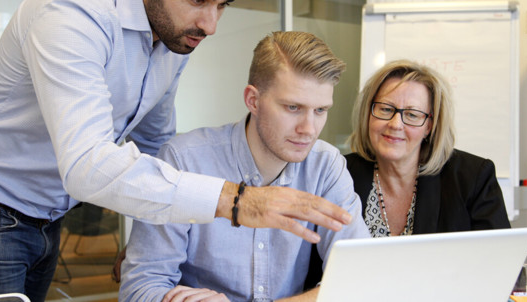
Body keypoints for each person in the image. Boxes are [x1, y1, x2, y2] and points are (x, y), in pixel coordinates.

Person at [0, 1, 353, 301]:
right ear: (253, 99)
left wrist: (150, 228)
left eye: (221, 5)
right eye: (199, 1)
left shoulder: (175, 33)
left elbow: (153, 138)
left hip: (46, 213)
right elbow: (87, 165)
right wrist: (237, 201)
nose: (211, 24)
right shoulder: (72, 15)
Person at [118, 31, 370, 302]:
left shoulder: (326, 166)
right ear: (253, 100)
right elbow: (139, 289)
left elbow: (361, 277)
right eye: (293, 107)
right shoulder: (184, 161)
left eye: (320, 110)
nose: (309, 129)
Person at [345, 59, 511, 237]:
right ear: (368, 113)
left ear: (429, 126)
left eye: (412, 114)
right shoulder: (341, 173)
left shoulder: (472, 178)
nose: (395, 124)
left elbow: (503, 260)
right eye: (385, 109)